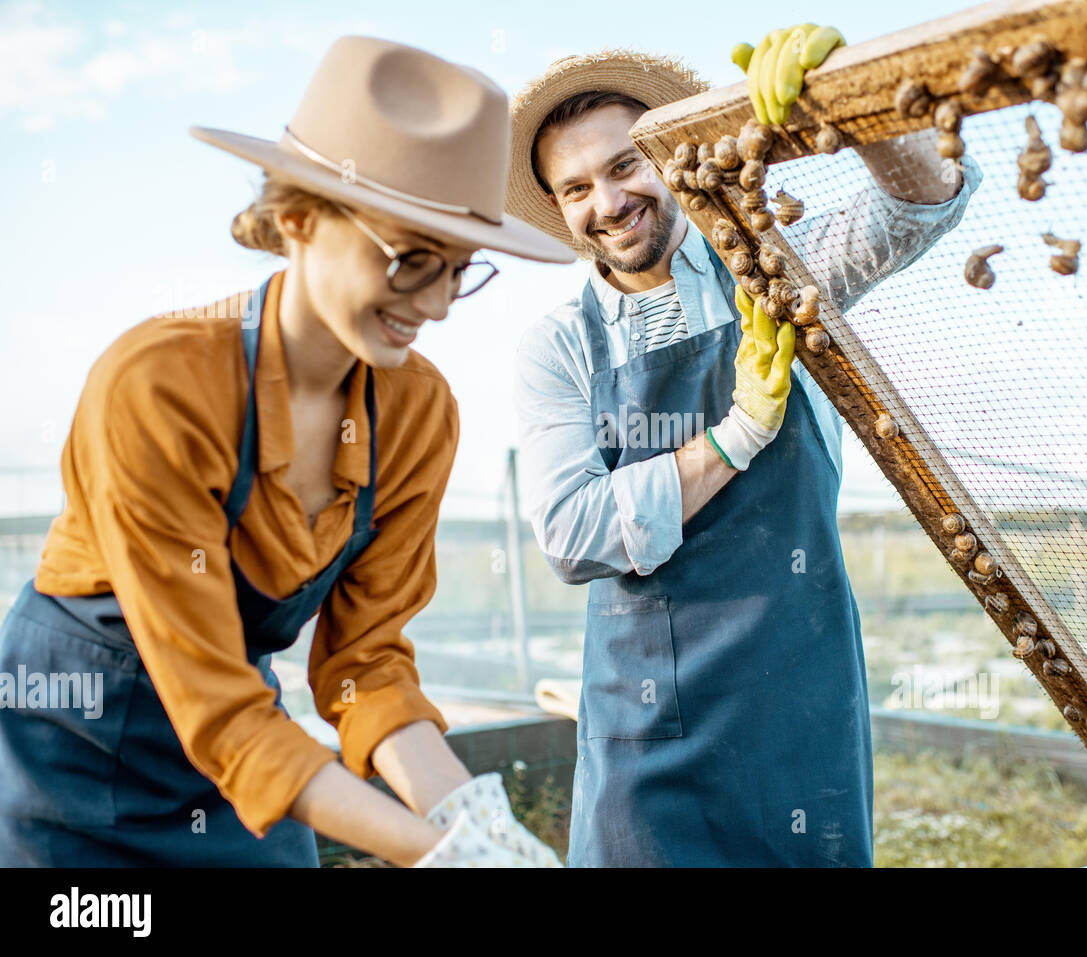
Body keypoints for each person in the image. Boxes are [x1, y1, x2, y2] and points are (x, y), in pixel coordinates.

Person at [0, 35, 572, 868]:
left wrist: (478, 825)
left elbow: (363, 667)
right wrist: (440, 854)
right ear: (298, 218)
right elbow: (220, 709)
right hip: (71, 764)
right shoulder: (158, 386)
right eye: (412, 259)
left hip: (247, 762)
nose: (439, 307)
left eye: (459, 270)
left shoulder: (416, 414)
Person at [508, 28, 983, 866]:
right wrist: (735, 440)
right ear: (558, 206)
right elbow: (574, 533)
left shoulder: (772, 270)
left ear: (672, 154)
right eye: (575, 187)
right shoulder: (561, 347)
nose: (608, 203)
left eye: (625, 165)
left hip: (797, 692)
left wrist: (843, 99)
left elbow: (923, 206)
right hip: (642, 724)